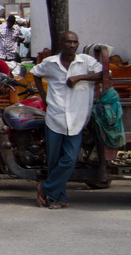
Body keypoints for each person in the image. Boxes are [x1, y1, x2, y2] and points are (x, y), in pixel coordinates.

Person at [31, 31, 102, 209]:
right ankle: (58, 198)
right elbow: (35, 73)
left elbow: (104, 75)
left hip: (77, 118)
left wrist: (79, 77)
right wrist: (43, 96)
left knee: (69, 159)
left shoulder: (85, 62)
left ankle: (45, 187)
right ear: (61, 43)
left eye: (75, 42)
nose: (72, 45)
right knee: (54, 161)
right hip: (55, 117)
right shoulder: (50, 63)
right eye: (68, 42)